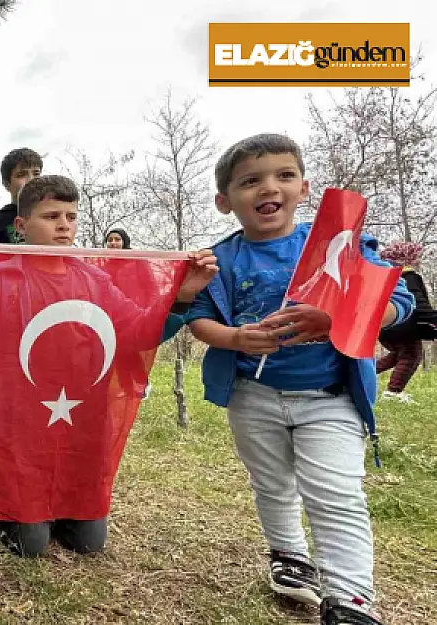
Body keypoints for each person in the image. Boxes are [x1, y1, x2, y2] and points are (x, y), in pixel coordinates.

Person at [0, 176, 217, 559]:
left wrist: (182, 297)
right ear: (21, 227)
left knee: (88, 543)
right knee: (31, 545)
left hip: (80, 422)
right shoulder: (0, 279)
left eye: (71, 216)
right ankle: (18, 498)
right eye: (52, 216)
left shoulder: (95, 279)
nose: (64, 225)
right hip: (19, 426)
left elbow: (136, 333)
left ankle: (59, 498)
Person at [185, 134, 415, 625]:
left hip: (330, 397)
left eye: (283, 175)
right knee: (271, 483)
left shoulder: (336, 244)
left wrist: (336, 320)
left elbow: (398, 303)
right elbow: (197, 317)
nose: (269, 187)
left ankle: (350, 599)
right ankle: (289, 556)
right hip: (253, 396)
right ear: (225, 201)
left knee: (336, 494)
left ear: (304, 187)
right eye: (251, 180)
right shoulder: (219, 260)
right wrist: (236, 338)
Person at [377, 241, 436, 404]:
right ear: (407, 260)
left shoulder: (387, 278)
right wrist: (432, 318)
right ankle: (393, 392)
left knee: (397, 356)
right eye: (416, 258)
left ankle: (360, 372)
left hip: (385, 328)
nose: (418, 261)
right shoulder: (408, 276)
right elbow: (418, 301)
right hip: (403, 326)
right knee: (411, 355)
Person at [104, 228, 154, 400]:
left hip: (135, 313)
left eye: (117, 239)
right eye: (110, 239)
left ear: (124, 241)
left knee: (129, 348)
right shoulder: (105, 264)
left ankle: (142, 384)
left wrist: (150, 309)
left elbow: (150, 286)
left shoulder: (137, 261)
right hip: (113, 315)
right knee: (118, 351)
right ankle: (127, 387)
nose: (113, 243)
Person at [0, 148, 41, 244]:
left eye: (36, 174)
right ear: (7, 184)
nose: (31, 180)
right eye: (21, 175)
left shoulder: (55, 215)